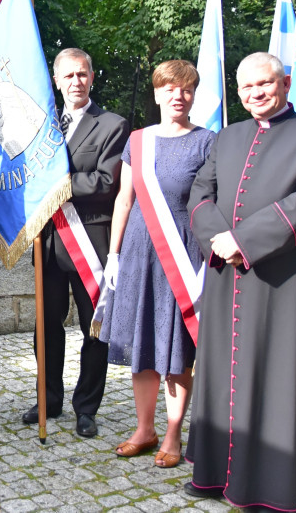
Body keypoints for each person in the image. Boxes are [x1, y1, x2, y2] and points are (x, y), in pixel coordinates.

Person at [184, 52, 296, 510]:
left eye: (265, 84)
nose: (256, 94)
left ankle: (269, 487)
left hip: (283, 280)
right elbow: (200, 192)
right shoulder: (227, 136)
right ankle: (214, 475)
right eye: (247, 88)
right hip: (226, 276)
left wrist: (244, 242)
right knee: (220, 374)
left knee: (276, 375)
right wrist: (218, 239)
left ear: (286, 83)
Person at [97, 60, 215, 467]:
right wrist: (113, 255)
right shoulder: (139, 141)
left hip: (184, 253)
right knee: (144, 343)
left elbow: (212, 201)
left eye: (185, 89)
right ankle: (144, 428)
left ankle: (172, 433)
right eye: (169, 88)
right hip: (137, 252)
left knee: (178, 349)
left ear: (193, 95)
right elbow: (124, 200)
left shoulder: (207, 142)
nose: (177, 96)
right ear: (157, 92)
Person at [25, 47, 130, 438]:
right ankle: (48, 398)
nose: (76, 82)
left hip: (91, 242)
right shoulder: (42, 125)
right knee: (45, 328)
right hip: (49, 244)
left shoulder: (113, 125)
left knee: (94, 329)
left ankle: (86, 407)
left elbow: (107, 182)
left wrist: (60, 186)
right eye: (68, 75)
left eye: (82, 74)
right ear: (56, 80)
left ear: (92, 77)